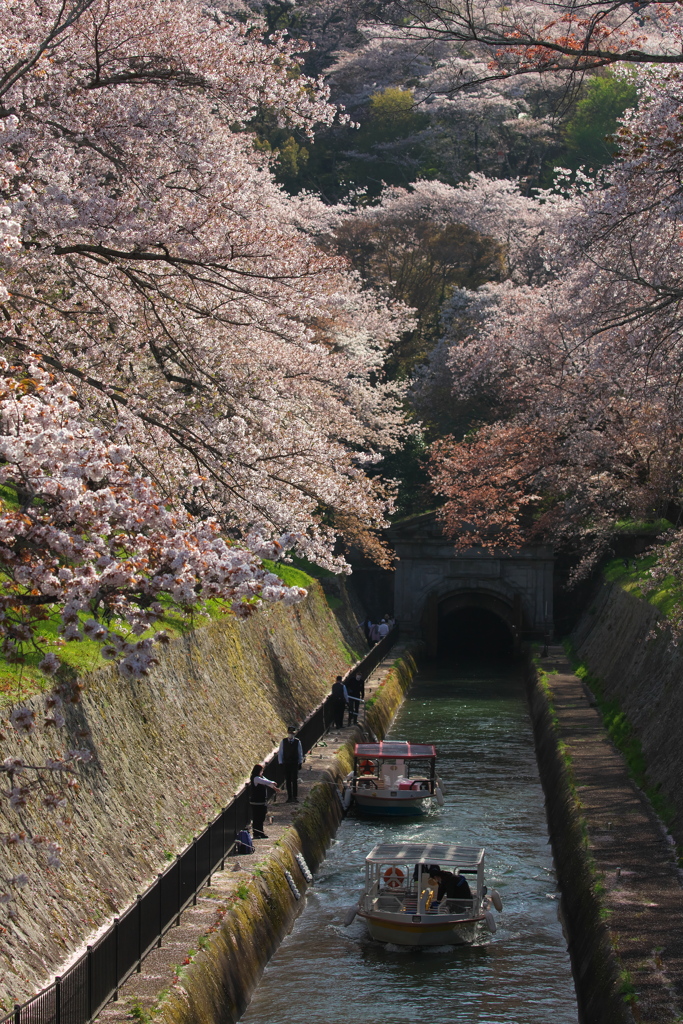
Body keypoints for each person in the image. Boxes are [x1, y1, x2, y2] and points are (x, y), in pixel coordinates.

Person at [249, 763, 279, 839]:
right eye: (261, 770)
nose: (262, 772)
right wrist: (272, 783)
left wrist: (273, 787)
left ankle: (261, 832)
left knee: (262, 817)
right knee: (257, 818)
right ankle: (256, 833)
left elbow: (266, 781)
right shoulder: (255, 778)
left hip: (262, 801)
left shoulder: (261, 777)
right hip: (256, 802)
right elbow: (264, 782)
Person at [278, 726, 303, 803]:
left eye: (292, 733)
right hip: (287, 762)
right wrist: (280, 762)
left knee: (294, 780)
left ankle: (295, 797)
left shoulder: (297, 742)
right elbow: (281, 752)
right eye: (290, 733)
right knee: (288, 780)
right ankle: (289, 796)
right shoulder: (283, 741)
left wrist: (300, 762)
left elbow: (300, 752)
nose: (291, 735)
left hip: (294, 763)